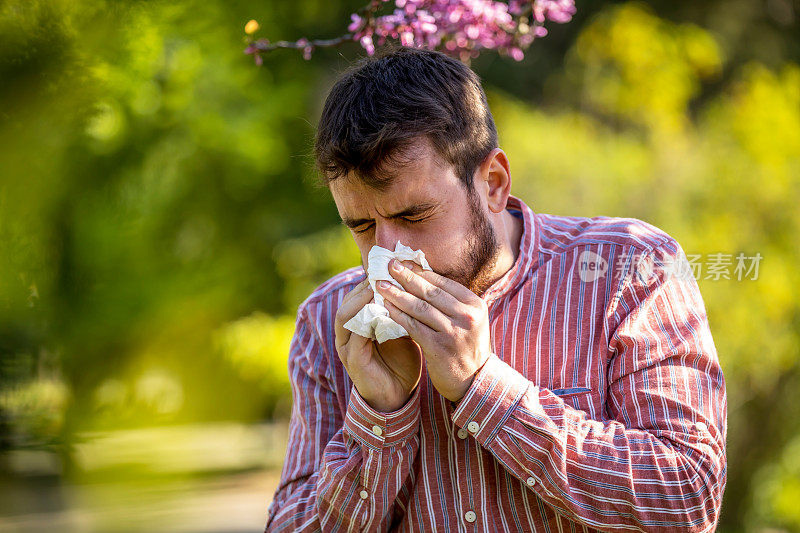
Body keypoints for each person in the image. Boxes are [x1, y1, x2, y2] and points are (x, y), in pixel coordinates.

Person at [265, 46, 727, 532]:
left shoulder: (631, 268)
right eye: (361, 226)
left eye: (414, 216)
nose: (387, 255)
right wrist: (378, 417)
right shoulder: (325, 323)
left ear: (493, 183)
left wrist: (484, 387)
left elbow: (688, 497)